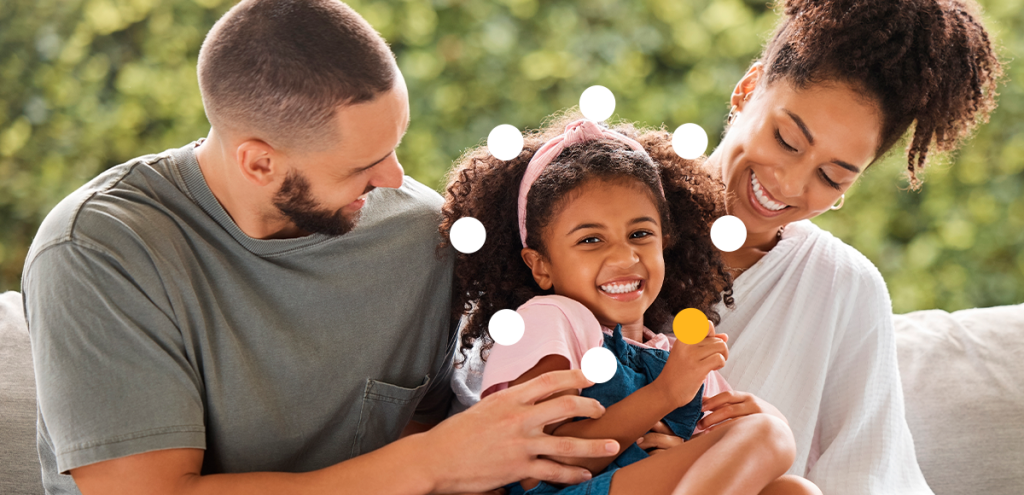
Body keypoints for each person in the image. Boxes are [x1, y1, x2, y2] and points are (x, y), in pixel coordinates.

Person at [21, 1, 622, 494]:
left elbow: (436, 426)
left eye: (395, 144)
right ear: (259, 162)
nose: (395, 178)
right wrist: (430, 465)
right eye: (362, 163)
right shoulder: (99, 250)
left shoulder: (422, 239)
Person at [624, 0, 1002, 493]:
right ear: (747, 90)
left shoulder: (842, 287)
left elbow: (868, 477)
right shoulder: (612, 212)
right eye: (786, 139)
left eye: (832, 176)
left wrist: (741, 449)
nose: (789, 184)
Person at [440, 117, 823, 495]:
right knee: (769, 432)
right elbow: (538, 470)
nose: (625, 257)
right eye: (591, 240)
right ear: (541, 266)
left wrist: (684, 454)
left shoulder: (677, 354)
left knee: (794, 489)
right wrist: (666, 394)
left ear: (665, 244)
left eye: (640, 234)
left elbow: (730, 453)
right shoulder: (552, 319)